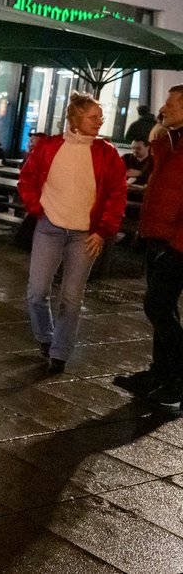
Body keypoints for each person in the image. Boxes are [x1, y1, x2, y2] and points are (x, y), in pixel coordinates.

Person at [18, 92, 126, 373]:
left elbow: (117, 194)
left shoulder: (108, 153)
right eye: (93, 116)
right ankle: (45, 336)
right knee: (36, 292)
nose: (99, 121)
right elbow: (27, 177)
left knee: (72, 297)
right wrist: (36, 207)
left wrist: (104, 231)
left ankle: (60, 352)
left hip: (85, 235)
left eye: (100, 117)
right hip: (49, 228)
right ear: (76, 117)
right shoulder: (49, 146)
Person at [113, 86, 183, 404]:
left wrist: (176, 244)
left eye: (171, 102)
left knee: (156, 306)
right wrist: (161, 134)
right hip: (158, 236)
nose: (164, 106)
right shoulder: (174, 141)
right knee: (162, 310)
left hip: (177, 243)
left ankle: (178, 377)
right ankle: (162, 374)